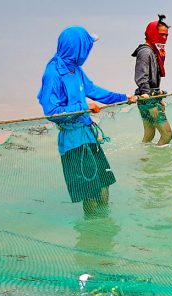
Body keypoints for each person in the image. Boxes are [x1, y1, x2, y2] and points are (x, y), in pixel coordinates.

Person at [38, 26, 135, 215]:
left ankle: (105, 229)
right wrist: (83, 108)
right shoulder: (53, 74)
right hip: (73, 143)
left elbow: (94, 91)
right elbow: (51, 111)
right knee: (89, 193)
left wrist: (123, 97)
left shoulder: (76, 70)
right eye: (87, 47)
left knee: (104, 185)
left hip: (89, 136)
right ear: (78, 48)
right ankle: (91, 233)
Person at [133, 14, 172, 146]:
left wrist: (158, 98)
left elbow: (152, 80)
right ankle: (158, 165)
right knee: (167, 135)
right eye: (162, 34)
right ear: (152, 33)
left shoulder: (154, 51)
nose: (165, 38)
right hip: (148, 100)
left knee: (149, 135)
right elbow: (141, 76)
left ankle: (145, 161)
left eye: (167, 35)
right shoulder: (146, 52)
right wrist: (150, 96)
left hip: (148, 99)